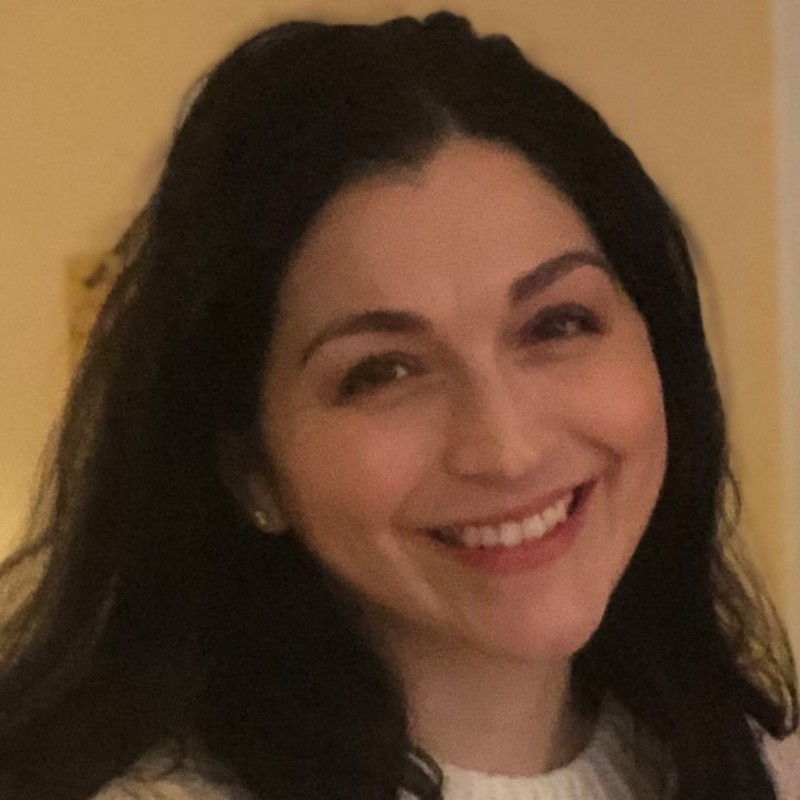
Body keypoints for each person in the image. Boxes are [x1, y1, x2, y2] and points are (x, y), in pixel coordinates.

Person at [0, 11, 797, 800]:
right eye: (383, 372)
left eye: (557, 324)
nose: (507, 448)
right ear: (251, 469)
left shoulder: (754, 763)